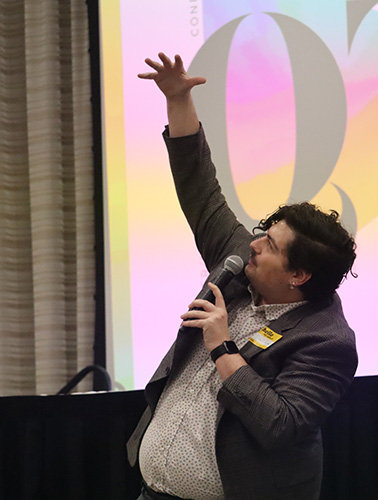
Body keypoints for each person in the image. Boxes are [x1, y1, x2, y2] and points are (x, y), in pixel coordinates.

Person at [126, 53, 358, 500]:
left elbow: (280, 425)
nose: (254, 245)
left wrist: (223, 346)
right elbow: (200, 188)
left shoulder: (327, 342)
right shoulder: (241, 266)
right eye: (261, 234)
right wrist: (178, 100)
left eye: (270, 246)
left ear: (299, 274)